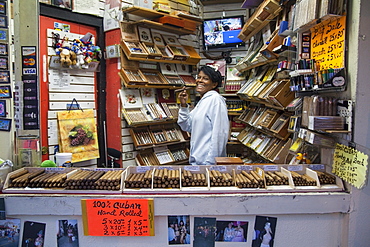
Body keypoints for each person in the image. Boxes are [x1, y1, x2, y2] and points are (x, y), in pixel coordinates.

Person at [177, 65, 229, 165]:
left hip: (207, 163)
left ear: (214, 84)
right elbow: (186, 126)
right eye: (199, 77)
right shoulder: (203, 101)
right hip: (197, 161)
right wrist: (183, 105)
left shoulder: (215, 100)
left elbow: (220, 135)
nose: (200, 81)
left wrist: (211, 163)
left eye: (205, 78)